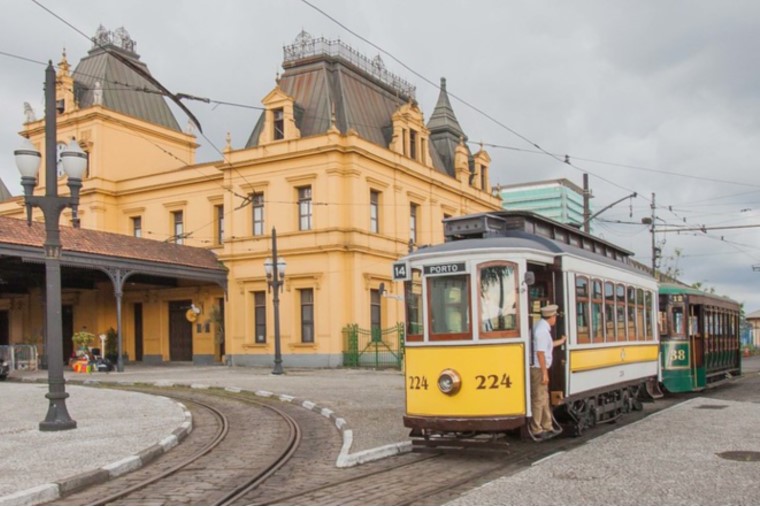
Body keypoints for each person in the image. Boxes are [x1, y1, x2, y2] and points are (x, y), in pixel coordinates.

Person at [530, 303, 567, 438]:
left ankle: (547, 425)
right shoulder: (541, 331)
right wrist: (545, 373)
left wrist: (561, 341)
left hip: (540, 368)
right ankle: (536, 429)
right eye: (555, 317)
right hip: (538, 369)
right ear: (551, 317)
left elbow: (548, 346)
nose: (555, 319)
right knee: (539, 399)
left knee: (544, 398)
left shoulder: (540, 327)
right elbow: (540, 353)